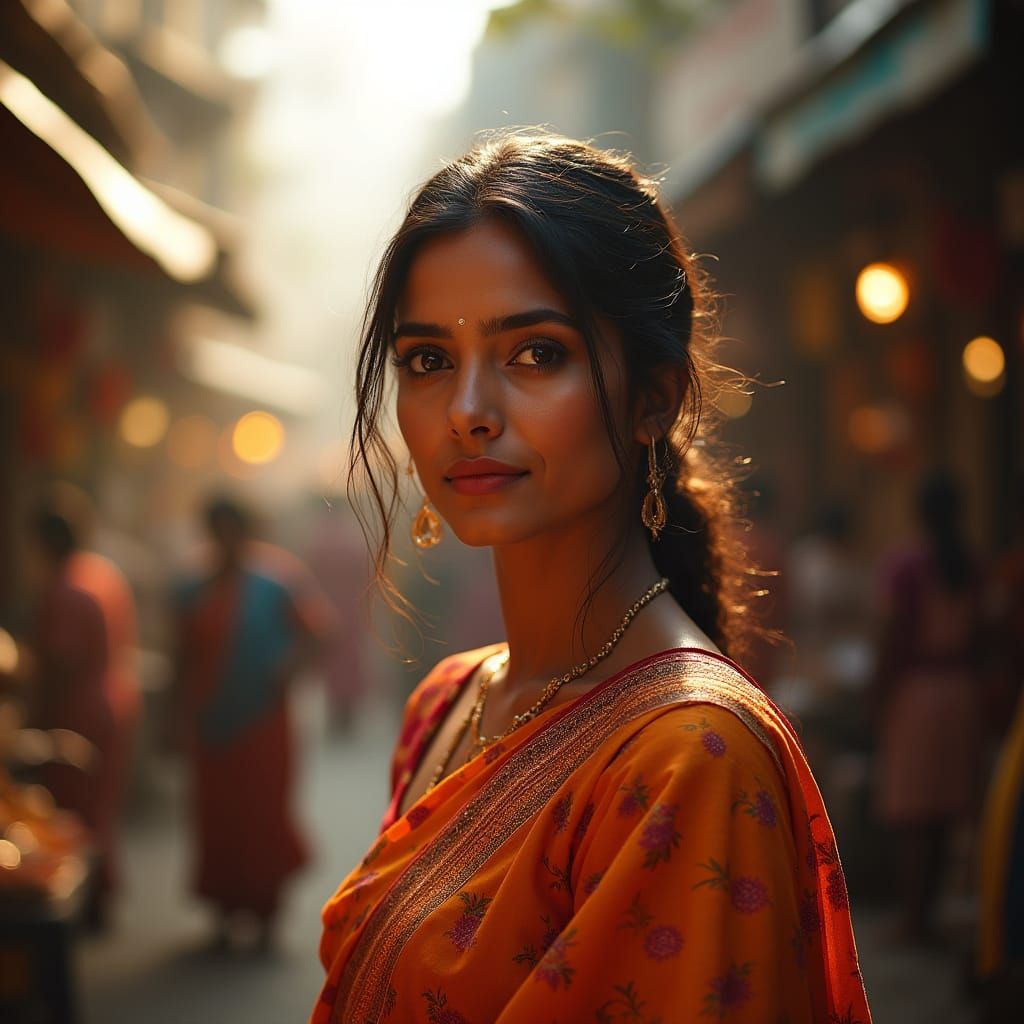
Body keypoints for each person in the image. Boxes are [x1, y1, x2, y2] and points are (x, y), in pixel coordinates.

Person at [312, 132, 871, 1022]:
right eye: (427, 361)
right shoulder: (447, 704)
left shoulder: (692, 757)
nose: (466, 413)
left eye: (535, 353)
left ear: (655, 395)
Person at [174, 497, 326, 949]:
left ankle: (265, 914)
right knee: (217, 816)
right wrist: (174, 716)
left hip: (263, 722)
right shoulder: (190, 587)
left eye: (230, 528)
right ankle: (224, 912)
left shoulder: (278, 583)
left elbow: (319, 635)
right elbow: (180, 656)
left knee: (262, 814)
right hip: (210, 721)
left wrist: (287, 670)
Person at [870, 471, 984, 944]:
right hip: (961, 691)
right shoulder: (971, 564)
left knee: (913, 810)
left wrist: (877, 692)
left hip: (917, 692)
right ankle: (929, 917)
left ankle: (912, 919)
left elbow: (891, 635)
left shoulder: (907, 564)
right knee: (943, 808)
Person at [23, 493, 140, 926]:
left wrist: (35, 717)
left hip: (79, 712)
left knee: (74, 810)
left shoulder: (68, 588)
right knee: (98, 806)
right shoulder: (100, 573)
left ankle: (84, 900)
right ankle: (98, 894)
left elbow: (61, 662)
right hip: (112, 703)